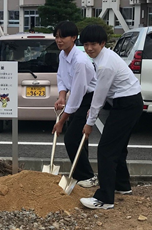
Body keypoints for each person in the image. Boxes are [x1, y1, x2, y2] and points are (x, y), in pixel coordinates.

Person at [79, 25, 143, 209]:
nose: (89, 48)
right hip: (129, 102)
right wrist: (92, 112)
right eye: (86, 44)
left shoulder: (105, 64)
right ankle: (122, 186)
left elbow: (99, 96)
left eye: (93, 44)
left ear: (102, 43)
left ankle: (105, 199)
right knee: (118, 147)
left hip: (127, 104)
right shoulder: (104, 56)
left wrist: (90, 123)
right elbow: (101, 94)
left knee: (106, 149)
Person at [52, 21, 98, 188]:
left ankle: (86, 176)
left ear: (73, 38)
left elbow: (77, 97)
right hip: (77, 97)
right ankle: (85, 176)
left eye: (62, 36)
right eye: (56, 36)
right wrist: (62, 96)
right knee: (79, 138)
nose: (59, 40)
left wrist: (61, 122)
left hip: (88, 98)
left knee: (71, 138)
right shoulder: (63, 55)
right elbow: (61, 76)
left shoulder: (80, 61)